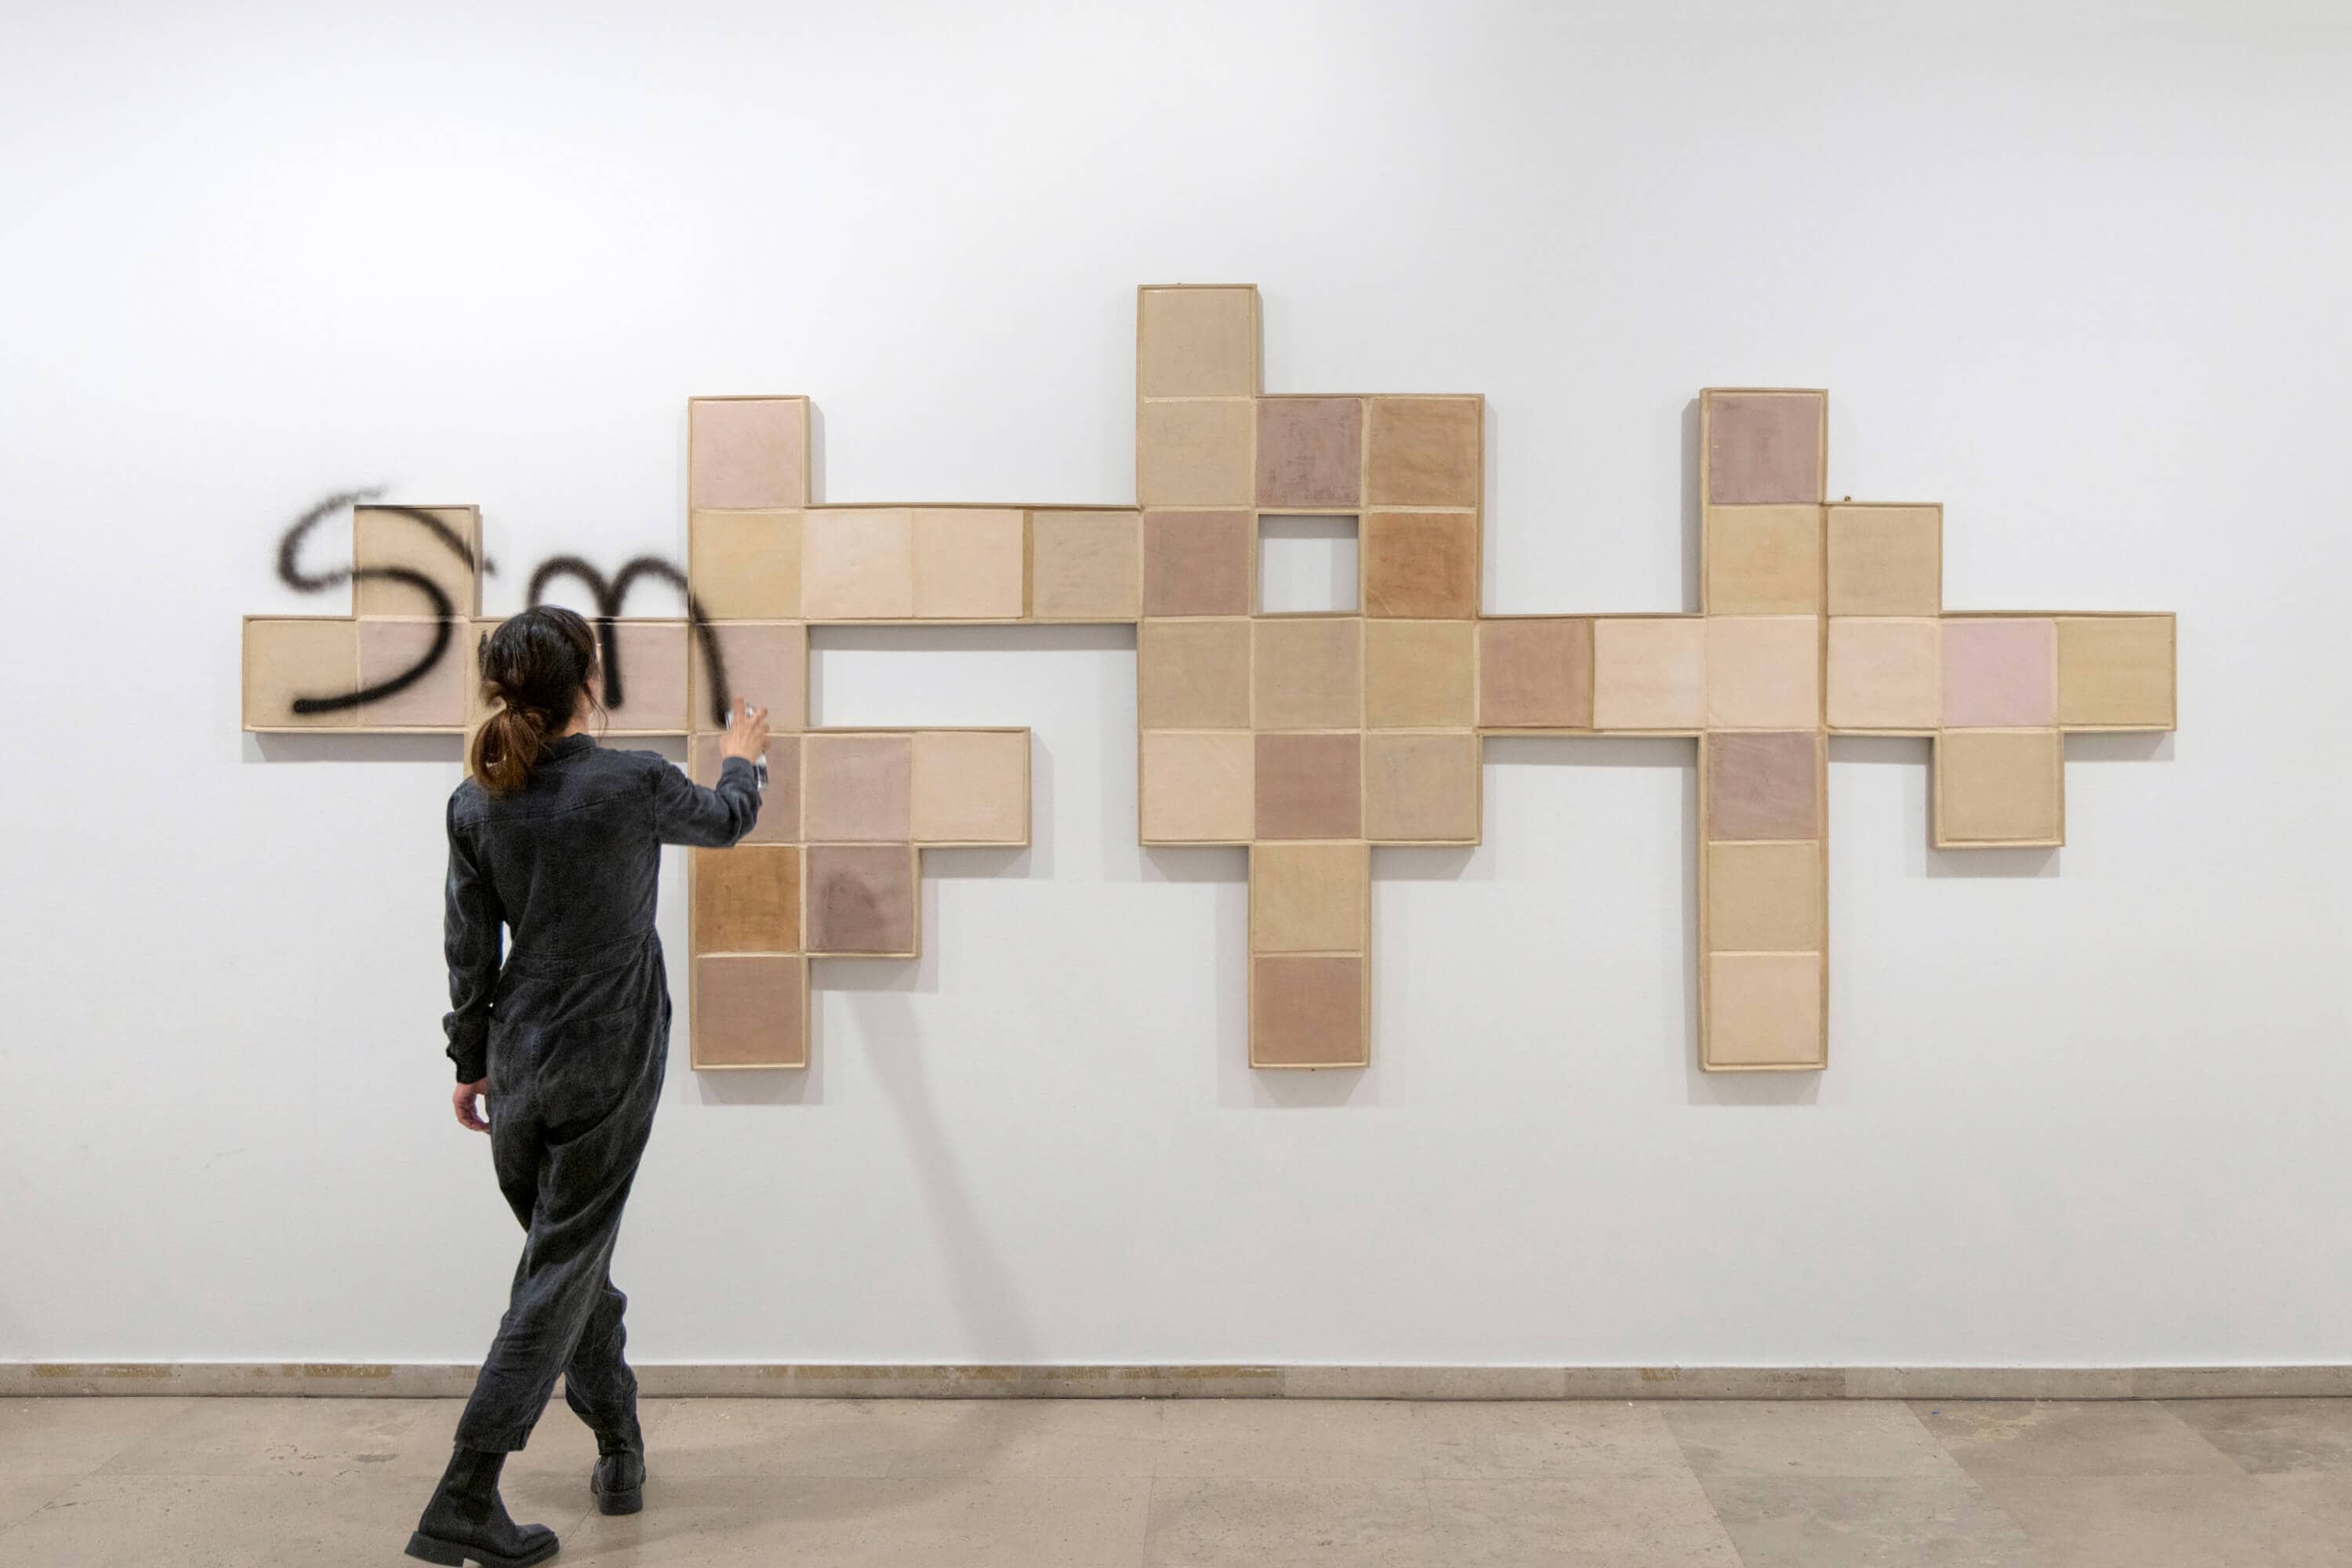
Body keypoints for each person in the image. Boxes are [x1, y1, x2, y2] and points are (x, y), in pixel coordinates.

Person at [406, 605, 768, 1568]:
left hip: (521, 1059)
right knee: (560, 1272)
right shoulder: (633, 779)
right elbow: (729, 821)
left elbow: (467, 947)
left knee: (571, 1268)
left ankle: (618, 1449)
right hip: (608, 1054)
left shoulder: (477, 797)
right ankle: (465, 1490)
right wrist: (742, 755)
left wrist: (469, 1060)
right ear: (585, 679)